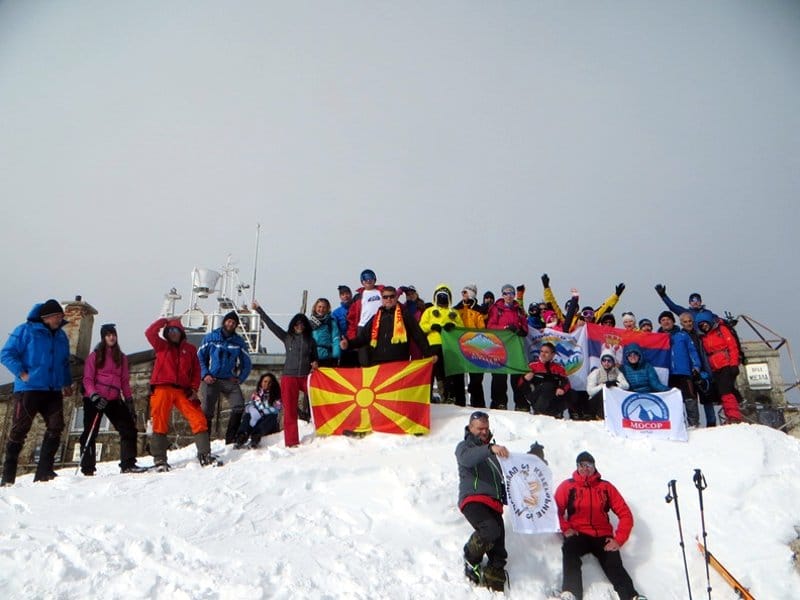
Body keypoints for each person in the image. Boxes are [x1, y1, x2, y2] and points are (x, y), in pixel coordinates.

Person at [555, 451, 645, 600]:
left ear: (594, 467)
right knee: (569, 549)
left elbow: (625, 514)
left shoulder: (605, 487)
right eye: (581, 465)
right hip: (579, 533)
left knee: (613, 562)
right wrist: (566, 528)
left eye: (588, 465)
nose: (585, 469)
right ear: (577, 467)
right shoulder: (568, 486)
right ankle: (571, 593)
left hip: (602, 535)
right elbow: (554, 511)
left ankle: (631, 596)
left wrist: (619, 540)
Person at [1, 299, 73, 485]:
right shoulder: (24, 330)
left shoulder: (61, 336)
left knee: (56, 426)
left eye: (61, 316)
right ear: (46, 317)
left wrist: (66, 383)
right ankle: (8, 477)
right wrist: (21, 372)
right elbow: (6, 354)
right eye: (58, 316)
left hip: (53, 389)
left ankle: (44, 472)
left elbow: (64, 362)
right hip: (29, 389)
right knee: (20, 430)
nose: (60, 319)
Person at [145, 317, 219, 470]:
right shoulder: (161, 345)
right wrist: (164, 321)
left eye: (175, 330)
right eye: (170, 330)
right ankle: (159, 459)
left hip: (183, 390)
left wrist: (193, 388)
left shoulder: (190, 349)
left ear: (181, 332)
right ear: (166, 332)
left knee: (198, 418)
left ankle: (204, 454)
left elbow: (196, 370)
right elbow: (149, 333)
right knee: (159, 421)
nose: (173, 333)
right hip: (162, 387)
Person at [79, 324, 147, 476]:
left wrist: (129, 400)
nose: (111, 337)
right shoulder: (95, 355)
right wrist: (94, 396)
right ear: (103, 337)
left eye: (113, 334)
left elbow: (124, 381)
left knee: (128, 427)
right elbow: (88, 379)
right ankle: (88, 467)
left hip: (113, 398)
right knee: (90, 432)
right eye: (108, 335)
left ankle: (128, 463)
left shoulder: (121, 358)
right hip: (94, 398)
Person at [455, 411, 510, 592]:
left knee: (499, 551)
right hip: (474, 498)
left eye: (486, 428)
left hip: (494, 503)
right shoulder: (464, 447)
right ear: (470, 428)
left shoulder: (495, 453)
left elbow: (502, 478)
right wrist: (489, 449)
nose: (484, 432)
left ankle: (494, 583)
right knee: (490, 529)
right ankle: (471, 557)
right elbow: (467, 459)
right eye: (479, 428)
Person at [253, 301, 318, 447]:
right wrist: (259, 310)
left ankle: (322, 430)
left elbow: (315, 357)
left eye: (302, 324)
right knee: (289, 410)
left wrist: (315, 363)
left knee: (319, 401)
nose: (299, 326)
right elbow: (272, 325)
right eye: (296, 324)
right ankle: (292, 441)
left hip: (306, 377)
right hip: (289, 377)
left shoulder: (311, 340)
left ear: (305, 325)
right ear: (292, 325)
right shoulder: (287, 337)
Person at [197, 310, 252, 444]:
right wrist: (205, 374)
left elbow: (247, 363)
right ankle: (205, 442)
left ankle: (230, 438)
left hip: (228, 379)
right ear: (224, 322)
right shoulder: (210, 338)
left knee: (239, 405)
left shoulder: (238, 342)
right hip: (212, 378)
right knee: (207, 411)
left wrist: (240, 378)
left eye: (233, 322)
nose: (231, 324)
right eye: (229, 321)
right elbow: (199, 358)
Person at [343, 286, 431, 365]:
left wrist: (429, 355)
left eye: (392, 296)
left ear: (396, 298)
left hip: (399, 363)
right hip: (378, 363)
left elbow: (418, 335)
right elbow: (363, 338)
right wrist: (348, 344)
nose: (389, 299)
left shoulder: (405, 315)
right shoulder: (375, 318)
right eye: (385, 297)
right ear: (382, 299)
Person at [419, 284, 465, 404]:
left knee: (448, 372)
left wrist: (453, 326)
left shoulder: (454, 312)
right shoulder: (429, 311)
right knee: (431, 372)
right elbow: (421, 327)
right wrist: (431, 326)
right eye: (440, 296)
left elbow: (462, 328)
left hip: (450, 346)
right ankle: (427, 397)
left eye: (444, 296)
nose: (442, 299)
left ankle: (448, 396)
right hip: (433, 344)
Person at [486, 284, 528, 410]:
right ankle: (499, 403)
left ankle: (521, 403)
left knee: (517, 376)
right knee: (499, 376)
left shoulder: (519, 309)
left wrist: (521, 330)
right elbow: (490, 326)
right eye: (505, 293)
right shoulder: (496, 308)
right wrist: (504, 328)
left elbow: (525, 327)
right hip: (500, 346)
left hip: (515, 347)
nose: (508, 296)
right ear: (502, 295)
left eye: (511, 293)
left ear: (514, 295)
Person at [697, 314, 744, 424]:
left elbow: (732, 346)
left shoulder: (721, 330)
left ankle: (734, 417)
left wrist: (734, 364)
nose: (704, 326)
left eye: (705, 324)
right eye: (701, 326)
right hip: (715, 367)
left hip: (726, 364)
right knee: (723, 392)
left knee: (725, 391)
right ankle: (731, 414)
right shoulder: (704, 336)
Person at [658, 311, 702, 428]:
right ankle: (679, 425)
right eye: (663, 320)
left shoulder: (682, 335)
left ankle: (694, 424)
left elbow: (692, 351)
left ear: (673, 321)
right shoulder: (657, 337)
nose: (666, 322)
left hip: (684, 371)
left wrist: (696, 366)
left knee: (690, 398)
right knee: (673, 400)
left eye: (668, 319)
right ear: (660, 323)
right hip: (668, 374)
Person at [453, 284, 488, 408]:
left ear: (472, 293)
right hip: (459, 346)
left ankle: (478, 404)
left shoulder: (479, 310)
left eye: (466, 292)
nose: (464, 295)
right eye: (462, 292)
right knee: (458, 376)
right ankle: (459, 403)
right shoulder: (456, 309)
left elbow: (482, 329)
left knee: (476, 379)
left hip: (475, 347)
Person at [679, 312, 716, 427]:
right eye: (685, 322)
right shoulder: (679, 336)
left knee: (707, 398)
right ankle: (694, 424)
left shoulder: (700, 334)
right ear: (681, 323)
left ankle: (711, 423)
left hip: (703, 369)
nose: (688, 324)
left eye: (690, 321)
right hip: (688, 372)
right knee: (691, 399)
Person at [520, 342, 572, 417]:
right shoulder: (532, 366)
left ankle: (554, 413)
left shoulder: (558, 368)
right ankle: (538, 410)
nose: (543, 354)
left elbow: (566, 382)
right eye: (541, 351)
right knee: (548, 386)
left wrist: (562, 388)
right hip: (536, 395)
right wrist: (525, 379)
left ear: (553, 355)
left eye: (546, 352)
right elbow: (519, 385)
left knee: (572, 394)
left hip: (552, 396)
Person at [346, 269, 385, 366]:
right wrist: (352, 337)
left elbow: (392, 299)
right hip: (363, 326)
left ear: (374, 280)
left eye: (370, 279)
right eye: (365, 279)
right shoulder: (359, 296)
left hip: (380, 325)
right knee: (364, 356)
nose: (368, 281)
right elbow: (351, 317)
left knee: (380, 354)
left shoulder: (381, 291)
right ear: (362, 282)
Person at [234, 373, 282, 449]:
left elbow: (276, 409)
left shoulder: (276, 395)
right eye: (265, 381)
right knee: (248, 415)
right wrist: (251, 408)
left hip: (268, 422)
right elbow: (249, 405)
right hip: (256, 419)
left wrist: (262, 412)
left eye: (269, 382)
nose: (267, 384)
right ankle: (242, 436)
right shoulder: (256, 394)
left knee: (271, 416)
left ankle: (255, 437)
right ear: (261, 382)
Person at [585, 353, 630, 419]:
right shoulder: (596, 373)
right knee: (604, 391)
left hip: (611, 402)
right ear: (601, 362)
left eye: (609, 361)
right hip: (595, 402)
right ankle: (600, 416)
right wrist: (603, 385)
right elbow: (590, 391)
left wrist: (616, 384)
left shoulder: (617, 372)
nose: (606, 363)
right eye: (604, 360)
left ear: (613, 362)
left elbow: (626, 386)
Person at [654, 285, 719, 328]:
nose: (695, 302)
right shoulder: (686, 313)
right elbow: (672, 306)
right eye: (693, 300)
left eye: (697, 300)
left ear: (701, 302)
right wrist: (663, 296)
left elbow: (719, 320)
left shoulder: (708, 313)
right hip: (694, 338)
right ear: (689, 302)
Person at [309, 298, 341, 368]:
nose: (321, 309)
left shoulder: (331, 322)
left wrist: (336, 355)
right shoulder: (309, 323)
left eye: (324, 307)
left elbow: (335, 338)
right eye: (319, 307)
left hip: (327, 357)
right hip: (313, 357)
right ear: (315, 307)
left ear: (327, 309)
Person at [332, 285, 358, 367]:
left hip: (357, 342)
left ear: (351, 294)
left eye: (347, 294)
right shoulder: (336, 313)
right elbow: (335, 329)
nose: (345, 296)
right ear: (340, 297)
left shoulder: (358, 308)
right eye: (343, 294)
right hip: (344, 344)